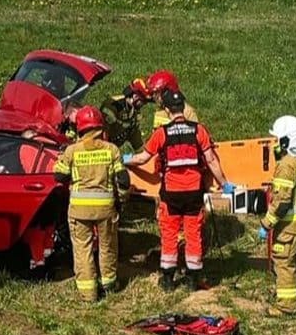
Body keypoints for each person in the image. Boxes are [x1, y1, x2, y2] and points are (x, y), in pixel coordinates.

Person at [125, 90, 233, 292]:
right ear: (183, 107)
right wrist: (225, 184)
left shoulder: (161, 134)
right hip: (194, 193)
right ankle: (193, 279)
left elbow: (142, 159)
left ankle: (167, 280)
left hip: (171, 194)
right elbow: (211, 160)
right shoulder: (199, 131)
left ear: (166, 110)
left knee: (169, 234)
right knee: (193, 234)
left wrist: (124, 160)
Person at [52, 106, 129, 301]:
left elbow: (59, 176)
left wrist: (61, 159)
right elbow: (124, 180)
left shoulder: (72, 151)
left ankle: (89, 293)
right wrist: (120, 201)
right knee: (107, 246)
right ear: (100, 127)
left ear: (80, 128)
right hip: (105, 209)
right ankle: (109, 284)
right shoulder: (111, 150)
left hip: (79, 211)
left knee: (82, 249)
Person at [259, 115, 296, 316]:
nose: (275, 144)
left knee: (285, 262)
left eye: (278, 140)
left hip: (290, 226)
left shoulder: (287, 166)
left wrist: (266, 224)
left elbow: (282, 202)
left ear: (286, 140)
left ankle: (287, 305)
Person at [100, 77, 151, 152]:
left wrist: (143, 154)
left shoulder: (133, 111)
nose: (144, 104)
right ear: (135, 96)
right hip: (101, 150)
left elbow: (134, 135)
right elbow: (103, 133)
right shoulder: (112, 106)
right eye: (143, 101)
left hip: (112, 150)